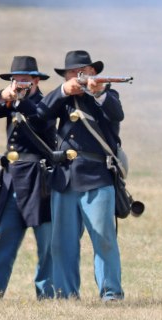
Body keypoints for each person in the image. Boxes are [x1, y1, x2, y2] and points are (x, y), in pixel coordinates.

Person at [37, 50, 124, 301]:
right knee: (62, 243)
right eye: (74, 73)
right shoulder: (62, 98)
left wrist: (98, 92)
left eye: (84, 71)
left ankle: (111, 293)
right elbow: (40, 114)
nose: (80, 76)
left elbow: (116, 114)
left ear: (94, 72)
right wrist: (63, 91)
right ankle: (65, 294)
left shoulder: (107, 95)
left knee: (103, 239)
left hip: (96, 175)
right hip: (64, 177)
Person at [0, 56, 55, 299]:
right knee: (2, 243)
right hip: (11, 180)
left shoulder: (45, 103)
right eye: (16, 80)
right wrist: (3, 95)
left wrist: (20, 101)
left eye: (25, 80)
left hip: (38, 182)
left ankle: (47, 295)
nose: (20, 84)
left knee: (46, 246)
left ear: (36, 80)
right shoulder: (10, 102)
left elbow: (40, 119)